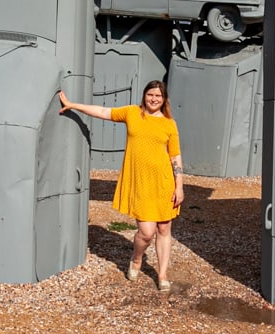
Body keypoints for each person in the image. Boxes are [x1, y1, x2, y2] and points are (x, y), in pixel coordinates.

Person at [59, 80, 184, 292]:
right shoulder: (132, 113)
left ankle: (162, 274)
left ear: (164, 100)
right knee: (146, 232)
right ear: (144, 96)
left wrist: (179, 186)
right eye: (150, 95)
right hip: (141, 182)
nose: (154, 99)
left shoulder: (169, 124)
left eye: (158, 96)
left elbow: (175, 157)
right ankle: (137, 258)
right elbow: (102, 111)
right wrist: (73, 105)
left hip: (164, 183)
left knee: (164, 228)